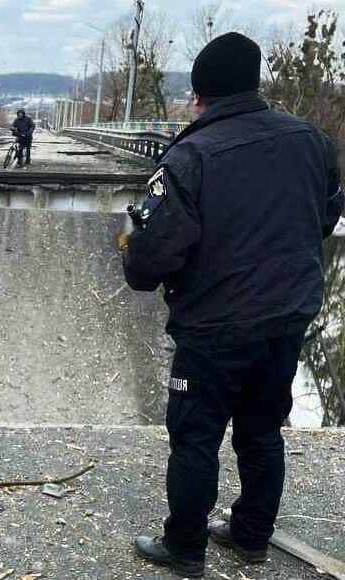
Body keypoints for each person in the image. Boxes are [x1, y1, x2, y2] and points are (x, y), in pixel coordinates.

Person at [123, 32, 343, 578]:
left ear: (199, 96)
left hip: (215, 327)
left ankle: (185, 547)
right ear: (254, 84)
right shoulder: (311, 141)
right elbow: (325, 215)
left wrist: (132, 243)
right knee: (262, 432)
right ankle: (250, 538)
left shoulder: (191, 155)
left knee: (195, 438)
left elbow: (150, 261)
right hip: (286, 319)